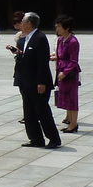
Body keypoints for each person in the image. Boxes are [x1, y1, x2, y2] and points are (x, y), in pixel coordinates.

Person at [13, 12, 61, 150]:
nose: (20, 24)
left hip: (38, 82)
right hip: (26, 81)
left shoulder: (40, 38)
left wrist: (41, 82)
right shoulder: (26, 37)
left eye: (22, 21)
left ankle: (53, 139)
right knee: (28, 112)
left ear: (29, 23)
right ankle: (35, 139)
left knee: (42, 111)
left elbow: (42, 62)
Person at [53, 16, 81, 133]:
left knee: (72, 97)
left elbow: (73, 61)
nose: (57, 28)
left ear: (67, 27)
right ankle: (69, 119)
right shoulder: (60, 40)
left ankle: (74, 123)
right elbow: (59, 55)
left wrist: (65, 72)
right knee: (64, 96)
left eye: (59, 26)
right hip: (60, 70)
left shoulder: (73, 41)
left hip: (69, 73)